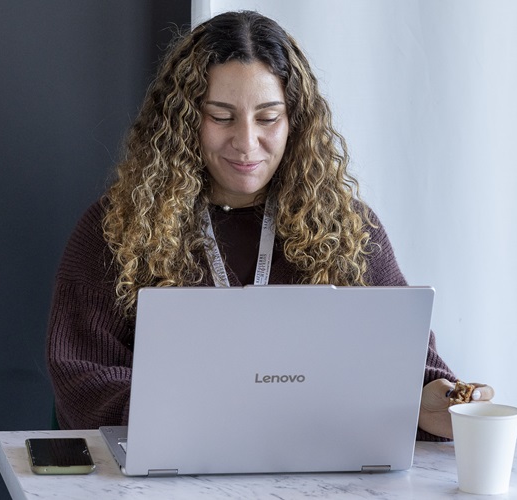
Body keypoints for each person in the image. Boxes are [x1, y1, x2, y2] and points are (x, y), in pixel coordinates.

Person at [46, 10, 493, 441]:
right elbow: (81, 376)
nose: (245, 143)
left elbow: (405, 353)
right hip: (172, 473)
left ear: (295, 121)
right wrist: (182, 411)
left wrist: (431, 400)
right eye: (220, 116)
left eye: (267, 118)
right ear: (182, 120)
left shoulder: (345, 226)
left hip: (317, 465)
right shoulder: (119, 229)